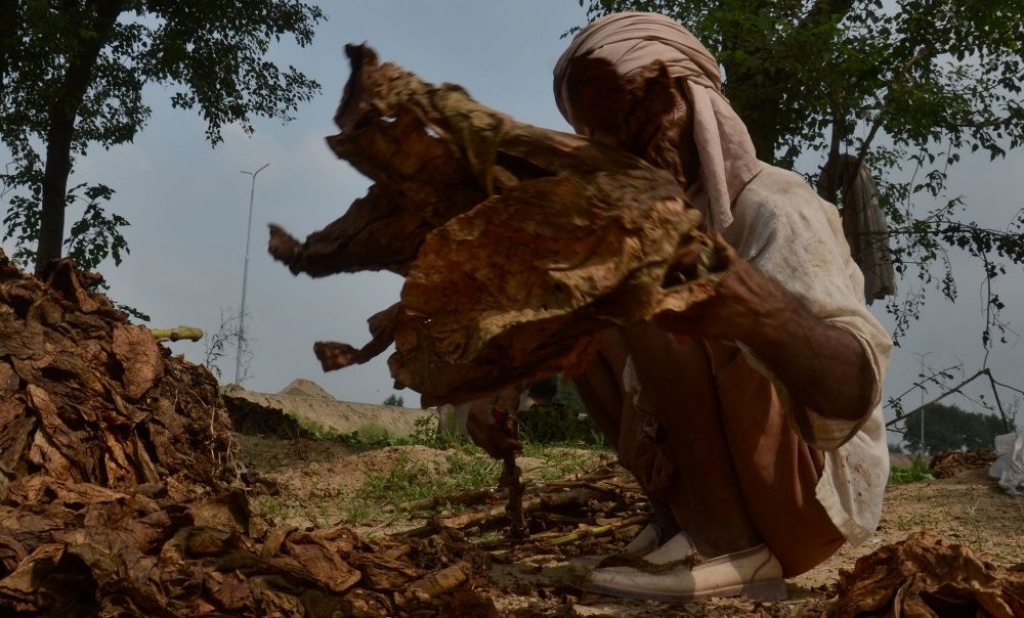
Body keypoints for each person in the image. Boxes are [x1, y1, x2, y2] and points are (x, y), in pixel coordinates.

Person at [466, 11, 893, 603]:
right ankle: (679, 524)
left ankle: (728, 542)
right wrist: (503, 383)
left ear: (697, 101)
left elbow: (854, 389)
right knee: (597, 304)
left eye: (647, 111)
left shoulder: (777, 205)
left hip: (809, 499)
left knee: (654, 275)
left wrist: (758, 311)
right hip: (751, 487)